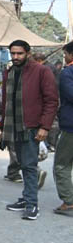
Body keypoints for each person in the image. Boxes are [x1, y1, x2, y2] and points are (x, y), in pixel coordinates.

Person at [2, 40, 58, 220]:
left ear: (28, 52)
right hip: (14, 127)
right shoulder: (10, 71)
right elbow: (6, 100)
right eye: (13, 53)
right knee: (21, 164)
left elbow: (51, 101)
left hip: (31, 127)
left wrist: (45, 126)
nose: (16, 57)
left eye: (19, 53)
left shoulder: (42, 71)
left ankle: (32, 205)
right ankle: (26, 199)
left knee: (29, 166)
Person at [53, 41, 73, 216]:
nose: (65, 58)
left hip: (71, 126)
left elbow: (70, 95)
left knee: (61, 164)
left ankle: (69, 201)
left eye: (66, 54)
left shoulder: (67, 73)